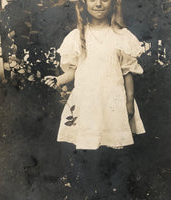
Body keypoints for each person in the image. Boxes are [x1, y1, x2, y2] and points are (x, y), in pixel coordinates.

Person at [44, 0, 145, 150]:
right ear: (84, 4)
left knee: (113, 145)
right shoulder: (76, 36)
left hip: (113, 100)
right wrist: (58, 80)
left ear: (112, 3)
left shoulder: (121, 35)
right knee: (88, 145)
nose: (98, 4)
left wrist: (129, 102)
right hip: (87, 101)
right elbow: (73, 70)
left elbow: (127, 72)